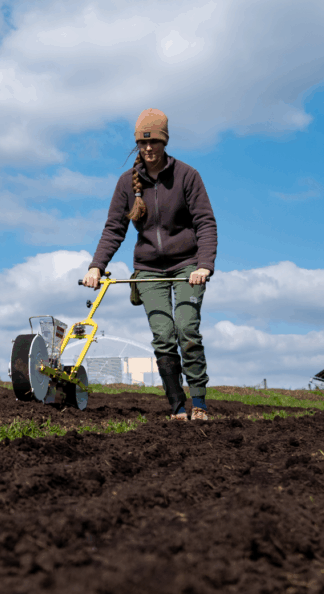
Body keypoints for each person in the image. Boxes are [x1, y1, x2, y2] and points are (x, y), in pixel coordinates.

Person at [82, 109, 217, 421]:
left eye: (154, 142)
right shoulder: (126, 184)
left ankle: (199, 402)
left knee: (186, 329)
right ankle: (178, 407)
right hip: (149, 272)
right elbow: (114, 229)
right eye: (142, 144)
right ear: (137, 146)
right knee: (163, 335)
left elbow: (205, 224)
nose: (148, 149)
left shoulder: (187, 176)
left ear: (164, 142)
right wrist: (96, 266)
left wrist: (204, 265)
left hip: (187, 267)